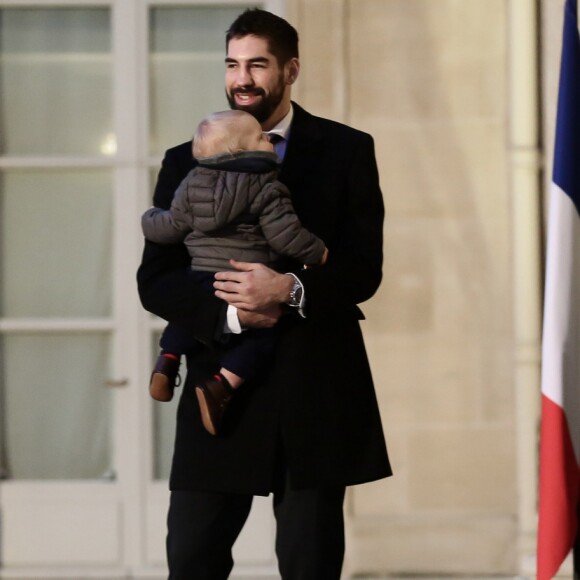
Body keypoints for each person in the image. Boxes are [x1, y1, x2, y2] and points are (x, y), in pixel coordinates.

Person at [137, 8, 392, 579]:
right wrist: (229, 312)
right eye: (232, 64)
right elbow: (155, 279)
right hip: (216, 393)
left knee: (310, 562)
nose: (242, 78)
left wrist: (290, 287)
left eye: (257, 64)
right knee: (192, 559)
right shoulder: (186, 158)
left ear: (291, 69)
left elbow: (363, 270)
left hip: (314, 391)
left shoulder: (348, 149)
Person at [142, 109, 328, 435]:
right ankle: (222, 384)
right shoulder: (267, 187)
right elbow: (286, 236)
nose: (268, 139)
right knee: (265, 334)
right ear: (241, 152)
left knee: (186, 318)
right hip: (243, 279)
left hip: (201, 277)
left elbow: (172, 225)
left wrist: (149, 218)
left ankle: (168, 358)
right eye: (260, 137)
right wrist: (318, 253)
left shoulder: (192, 182)